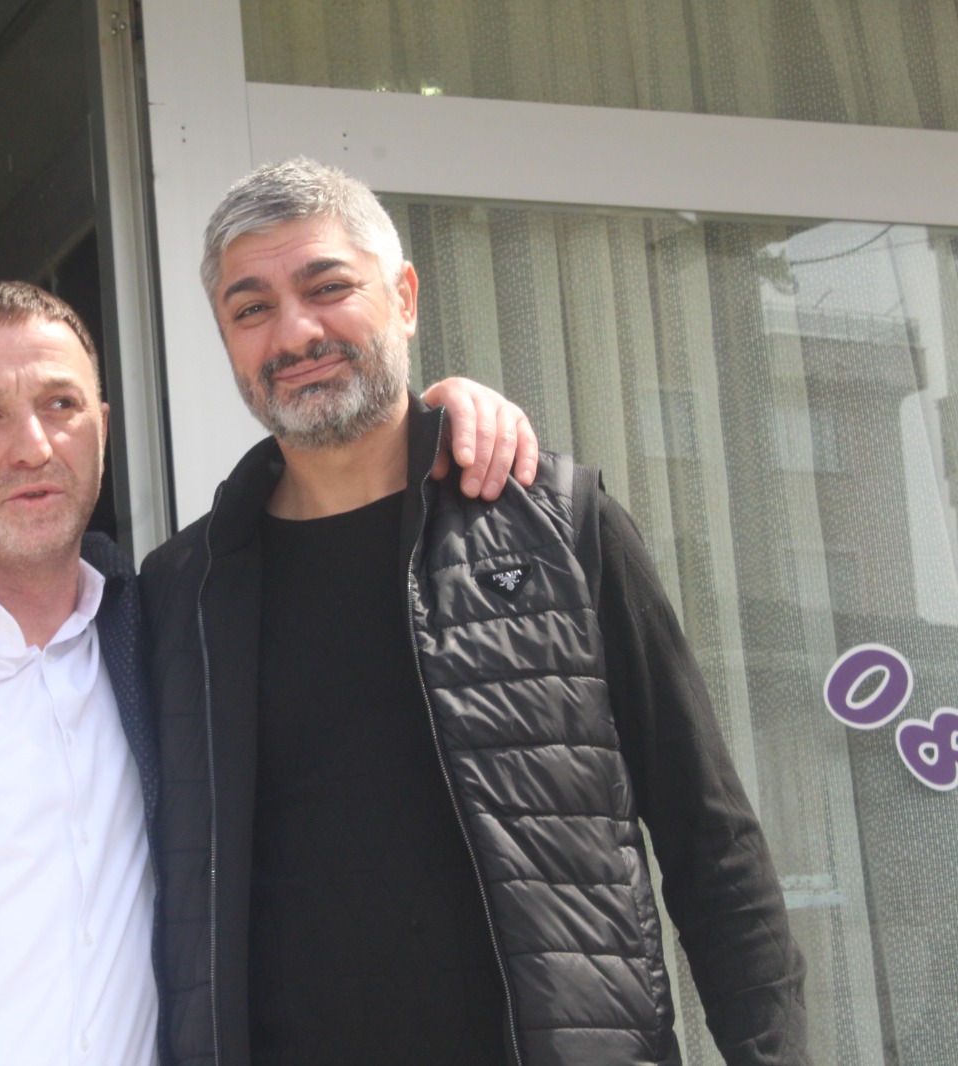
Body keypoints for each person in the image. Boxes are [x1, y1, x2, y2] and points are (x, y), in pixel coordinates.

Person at [0, 280, 535, 1065]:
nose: (32, 447)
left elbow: (333, 527)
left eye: (60, 405)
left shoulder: (182, 627)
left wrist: (435, 420)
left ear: (101, 425)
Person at [140, 158, 809, 1066]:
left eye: (328, 287)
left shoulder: (561, 526)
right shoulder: (181, 592)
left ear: (405, 298)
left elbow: (710, 840)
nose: (295, 332)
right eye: (251, 308)